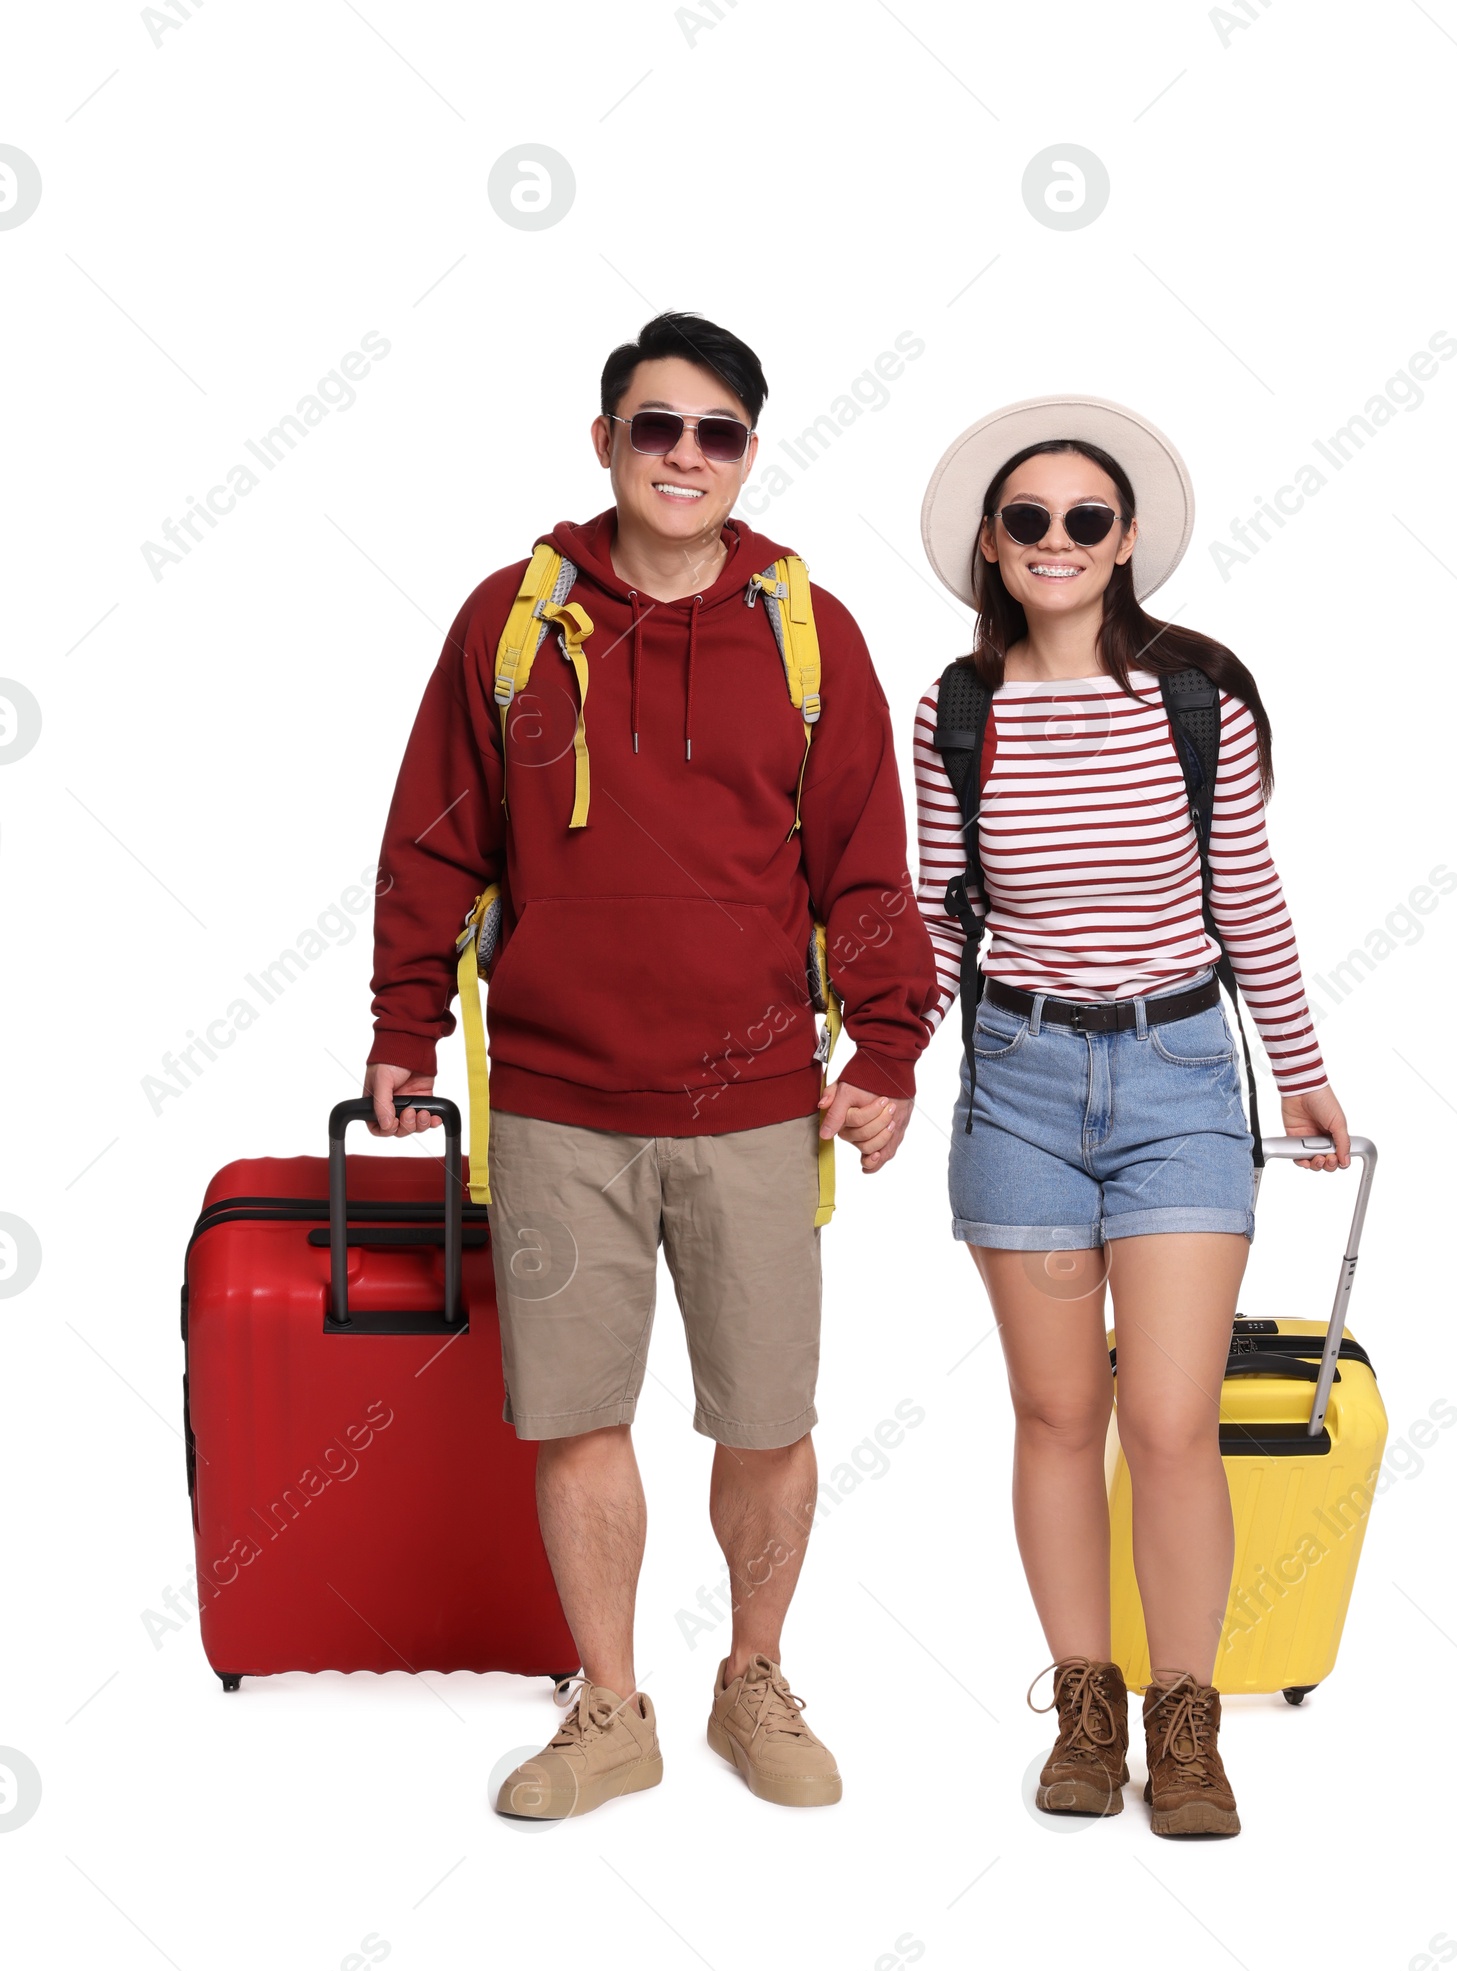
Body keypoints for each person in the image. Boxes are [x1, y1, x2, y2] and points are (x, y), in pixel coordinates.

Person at [362, 312, 936, 1819]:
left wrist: (887, 1040)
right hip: (554, 1099)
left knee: (768, 1418)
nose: (685, 454)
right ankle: (609, 1706)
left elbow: (868, 866)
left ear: (749, 454)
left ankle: (752, 1676)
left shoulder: (810, 631)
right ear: (605, 438)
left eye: (718, 432)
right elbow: (432, 843)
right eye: (657, 424)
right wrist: (400, 1029)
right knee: (576, 1417)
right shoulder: (509, 617)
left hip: (753, 1104)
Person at [913, 396, 1349, 1837]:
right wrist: (879, 1064)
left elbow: (1247, 899)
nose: (1055, 541)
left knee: (1168, 1419)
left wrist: (1298, 1067)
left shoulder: (1193, 698)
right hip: (1021, 1085)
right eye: (1027, 519)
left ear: (1127, 541)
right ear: (991, 540)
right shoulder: (956, 710)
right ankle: (1084, 1709)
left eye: (1084, 520)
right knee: (1056, 1410)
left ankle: (1190, 1720)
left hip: (1176, 1086)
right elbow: (928, 918)